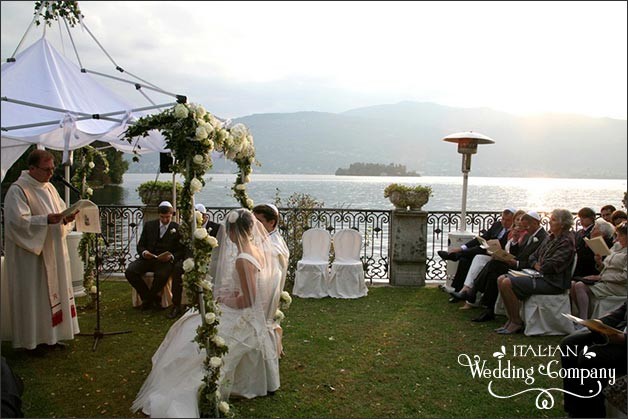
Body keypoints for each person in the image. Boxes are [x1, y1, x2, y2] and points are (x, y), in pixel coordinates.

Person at [132, 209, 280, 417]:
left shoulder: (243, 259)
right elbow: (248, 289)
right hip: (249, 312)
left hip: (243, 316)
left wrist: (223, 299)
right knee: (190, 322)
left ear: (231, 232)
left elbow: (247, 299)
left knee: (191, 329)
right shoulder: (256, 250)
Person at [3, 149, 80, 352]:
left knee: (51, 296)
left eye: (53, 168)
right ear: (32, 168)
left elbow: (60, 211)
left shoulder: (50, 188)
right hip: (31, 258)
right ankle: (32, 341)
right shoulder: (18, 190)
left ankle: (51, 337)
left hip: (52, 251)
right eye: (46, 169)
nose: (51, 173)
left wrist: (66, 218)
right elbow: (16, 222)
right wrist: (46, 220)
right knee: (34, 297)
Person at [496, 208, 576, 334]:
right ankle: (512, 319)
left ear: (562, 224)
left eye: (553, 220)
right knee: (501, 279)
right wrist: (536, 264)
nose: (550, 222)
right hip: (540, 275)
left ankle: (516, 322)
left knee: (507, 283)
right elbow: (533, 257)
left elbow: (552, 265)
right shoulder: (551, 237)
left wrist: (539, 265)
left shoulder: (566, 241)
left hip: (553, 282)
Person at [471, 210, 548, 322]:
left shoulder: (542, 237)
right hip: (519, 264)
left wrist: (516, 263)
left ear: (536, 223)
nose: (525, 229)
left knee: (495, 267)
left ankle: (477, 294)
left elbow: (533, 259)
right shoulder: (530, 234)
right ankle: (487, 306)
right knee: (494, 266)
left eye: (527, 226)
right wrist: (515, 242)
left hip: (527, 269)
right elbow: (520, 253)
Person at [560, 300, 626, 418]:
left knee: (591, 357)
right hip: (620, 336)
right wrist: (599, 323)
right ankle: (574, 408)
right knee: (570, 344)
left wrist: (624, 339)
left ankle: (592, 414)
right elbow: (622, 312)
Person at [125, 201, 185, 310]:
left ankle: (148, 301)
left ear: (172, 215)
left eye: (167, 217)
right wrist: (144, 253)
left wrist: (171, 256)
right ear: (159, 215)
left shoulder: (178, 228)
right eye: (162, 217)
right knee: (130, 271)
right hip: (148, 259)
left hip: (165, 262)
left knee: (162, 276)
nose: (165, 220)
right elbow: (141, 245)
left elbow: (181, 250)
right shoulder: (149, 225)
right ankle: (149, 298)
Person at [439, 207, 515, 293]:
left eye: (508, 220)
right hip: (486, 250)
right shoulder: (497, 225)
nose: (504, 222)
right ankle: (458, 290)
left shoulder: (514, 231)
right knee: (465, 260)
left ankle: (456, 255)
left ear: (513, 220)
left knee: (480, 249)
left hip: (497, 255)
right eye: (503, 219)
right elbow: (482, 238)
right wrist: (462, 247)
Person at [166, 204, 221, 319]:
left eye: (199, 218)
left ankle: (206, 303)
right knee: (177, 269)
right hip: (189, 259)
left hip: (208, 260)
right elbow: (180, 247)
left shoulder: (216, 228)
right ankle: (176, 305)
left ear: (205, 216)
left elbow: (219, 247)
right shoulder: (187, 228)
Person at [253, 203, 290, 356]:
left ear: (271, 223)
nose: (254, 225)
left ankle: (268, 349)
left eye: (258, 222)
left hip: (266, 289)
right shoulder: (263, 237)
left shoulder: (274, 245)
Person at [570, 222, 627, 319]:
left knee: (580, 286)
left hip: (618, 286)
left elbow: (624, 277)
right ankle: (581, 315)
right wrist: (599, 263)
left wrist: (601, 277)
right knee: (572, 285)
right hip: (606, 281)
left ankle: (583, 318)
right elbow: (607, 267)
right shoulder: (617, 246)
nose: (617, 239)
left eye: (620, 235)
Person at [572, 207, 597, 277]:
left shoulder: (594, 232)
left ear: (591, 218)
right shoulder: (579, 232)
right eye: (580, 218)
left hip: (587, 265)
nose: (581, 220)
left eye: (584, 217)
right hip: (577, 262)